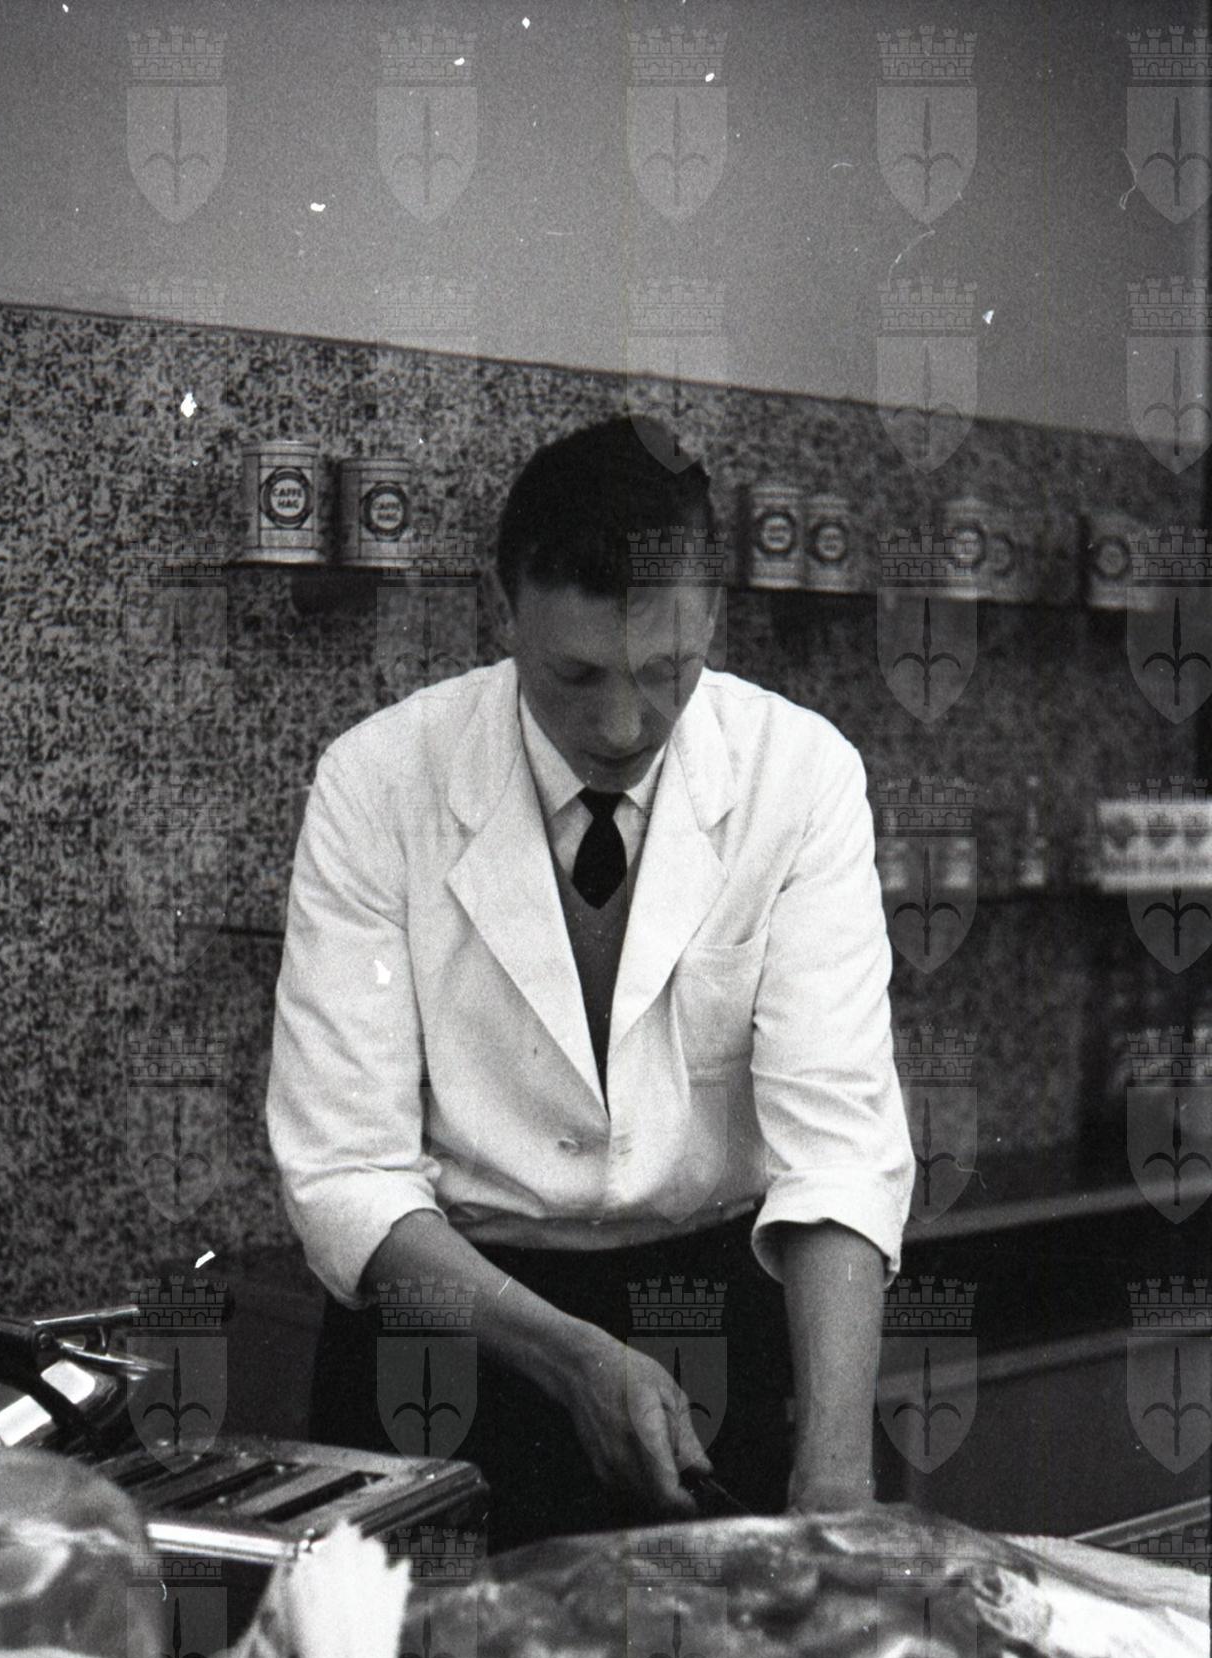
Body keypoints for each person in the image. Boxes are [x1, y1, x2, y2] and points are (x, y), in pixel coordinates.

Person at [267, 416, 915, 1548]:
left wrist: (834, 1478)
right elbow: (346, 1173)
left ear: (713, 616)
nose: (623, 725)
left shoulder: (801, 775)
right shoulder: (378, 781)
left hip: (721, 1328)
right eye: (575, 674)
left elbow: (839, 1151)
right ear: (504, 609)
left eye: (668, 672)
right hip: (453, 1336)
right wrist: (568, 1356)